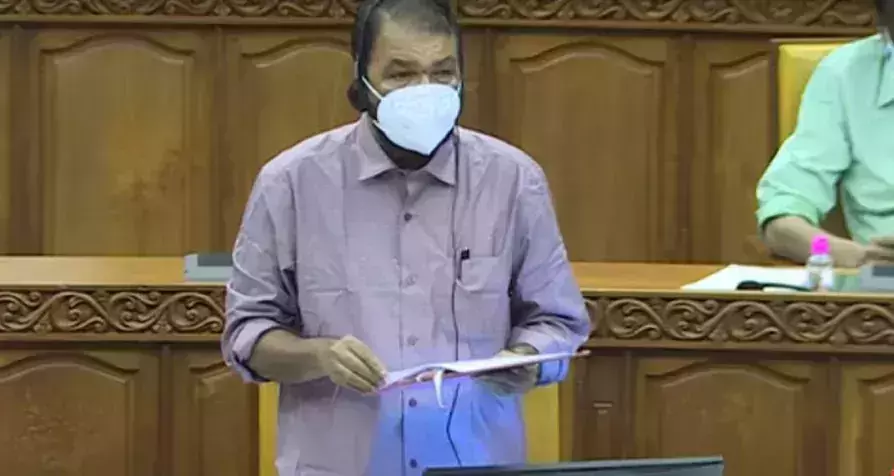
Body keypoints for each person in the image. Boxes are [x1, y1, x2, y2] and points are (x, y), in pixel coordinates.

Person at [220, 0, 591, 474]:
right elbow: (247, 333)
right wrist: (318, 357)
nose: (425, 91)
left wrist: (529, 358)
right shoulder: (290, 184)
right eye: (401, 74)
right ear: (361, 80)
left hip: (475, 463)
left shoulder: (514, 181)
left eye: (443, 72)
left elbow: (558, 320)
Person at [756, 0, 894, 267]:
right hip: (885, 281)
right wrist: (845, 254)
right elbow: (783, 213)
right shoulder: (845, 74)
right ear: (883, 27)